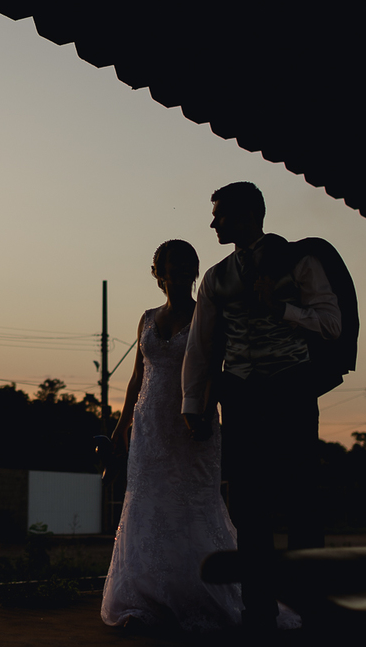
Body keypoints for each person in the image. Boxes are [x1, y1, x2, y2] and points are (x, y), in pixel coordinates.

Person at [181, 181, 344, 633]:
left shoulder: (301, 261)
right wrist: (195, 403)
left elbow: (331, 324)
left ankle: (314, 612)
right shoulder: (215, 277)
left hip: (291, 390)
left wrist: (283, 310)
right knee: (249, 506)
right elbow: (202, 345)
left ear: (248, 214)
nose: (213, 222)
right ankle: (258, 615)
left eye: (220, 214)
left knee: (301, 503)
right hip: (242, 394)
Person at [101, 239, 245, 632]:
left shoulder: (208, 314)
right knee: (147, 507)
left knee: (190, 507)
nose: (180, 273)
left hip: (191, 423)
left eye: (187, 266)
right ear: (158, 273)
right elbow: (136, 378)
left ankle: (198, 599)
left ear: (195, 272)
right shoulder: (146, 317)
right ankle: (142, 602)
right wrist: (119, 428)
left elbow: (216, 369)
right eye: (172, 266)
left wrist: (201, 412)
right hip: (149, 427)